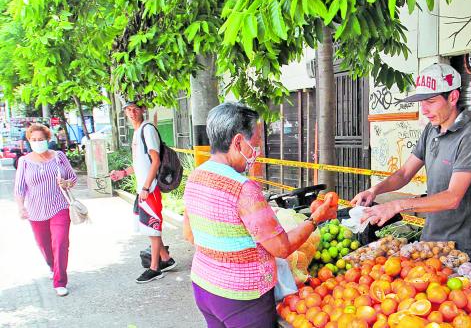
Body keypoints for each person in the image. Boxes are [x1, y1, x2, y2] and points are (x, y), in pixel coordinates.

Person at [183, 102, 336, 328]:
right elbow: (282, 248)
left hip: (204, 287)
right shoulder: (243, 188)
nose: (258, 151)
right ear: (237, 142)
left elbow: (189, 234)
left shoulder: (196, 176)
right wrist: (315, 220)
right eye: (254, 144)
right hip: (242, 299)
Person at [354, 63, 471, 262]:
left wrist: (397, 205)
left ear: (453, 97)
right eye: (421, 102)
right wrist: (375, 191)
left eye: (431, 102)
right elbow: (404, 174)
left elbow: (452, 197)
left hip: (462, 250)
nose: (424, 110)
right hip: (430, 244)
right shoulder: (431, 130)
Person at [109, 101, 176, 283]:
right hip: (143, 188)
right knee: (147, 226)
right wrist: (123, 173)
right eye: (128, 110)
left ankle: (155, 268)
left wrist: (147, 187)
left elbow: (155, 161)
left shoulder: (147, 130)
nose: (132, 113)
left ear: (142, 110)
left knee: (152, 227)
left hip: (150, 188)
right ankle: (165, 259)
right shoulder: (137, 132)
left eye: (135, 109)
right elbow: (140, 163)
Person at [14, 123, 77, 296]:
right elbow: (20, 188)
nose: (37, 142)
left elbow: (72, 177)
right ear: (29, 141)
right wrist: (21, 207)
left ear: (47, 140)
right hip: (35, 211)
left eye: (41, 139)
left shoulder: (59, 156)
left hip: (59, 206)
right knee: (44, 245)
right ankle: (52, 265)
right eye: (34, 140)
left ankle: (60, 281)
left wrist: (67, 183)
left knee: (60, 242)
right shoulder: (24, 161)